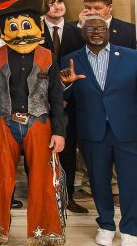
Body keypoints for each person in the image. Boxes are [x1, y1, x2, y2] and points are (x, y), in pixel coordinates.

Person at [0, 0, 67, 246]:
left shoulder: (47, 57)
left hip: (39, 122)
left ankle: (46, 231)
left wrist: (59, 131)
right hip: (3, 123)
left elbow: (55, 98)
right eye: (13, 26)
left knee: (43, 177)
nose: (20, 32)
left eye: (25, 25)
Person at [62, 16, 137, 246]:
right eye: (90, 28)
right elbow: (63, 100)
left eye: (100, 28)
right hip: (93, 132)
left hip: (128, 130)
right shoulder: (69, 60)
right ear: (82, 32)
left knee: (131, 183)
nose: (96, 32)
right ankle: (105, 225)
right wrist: (67, 84)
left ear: (108, 31)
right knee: (98, 181)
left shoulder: (132, 57)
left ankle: (130, 229)